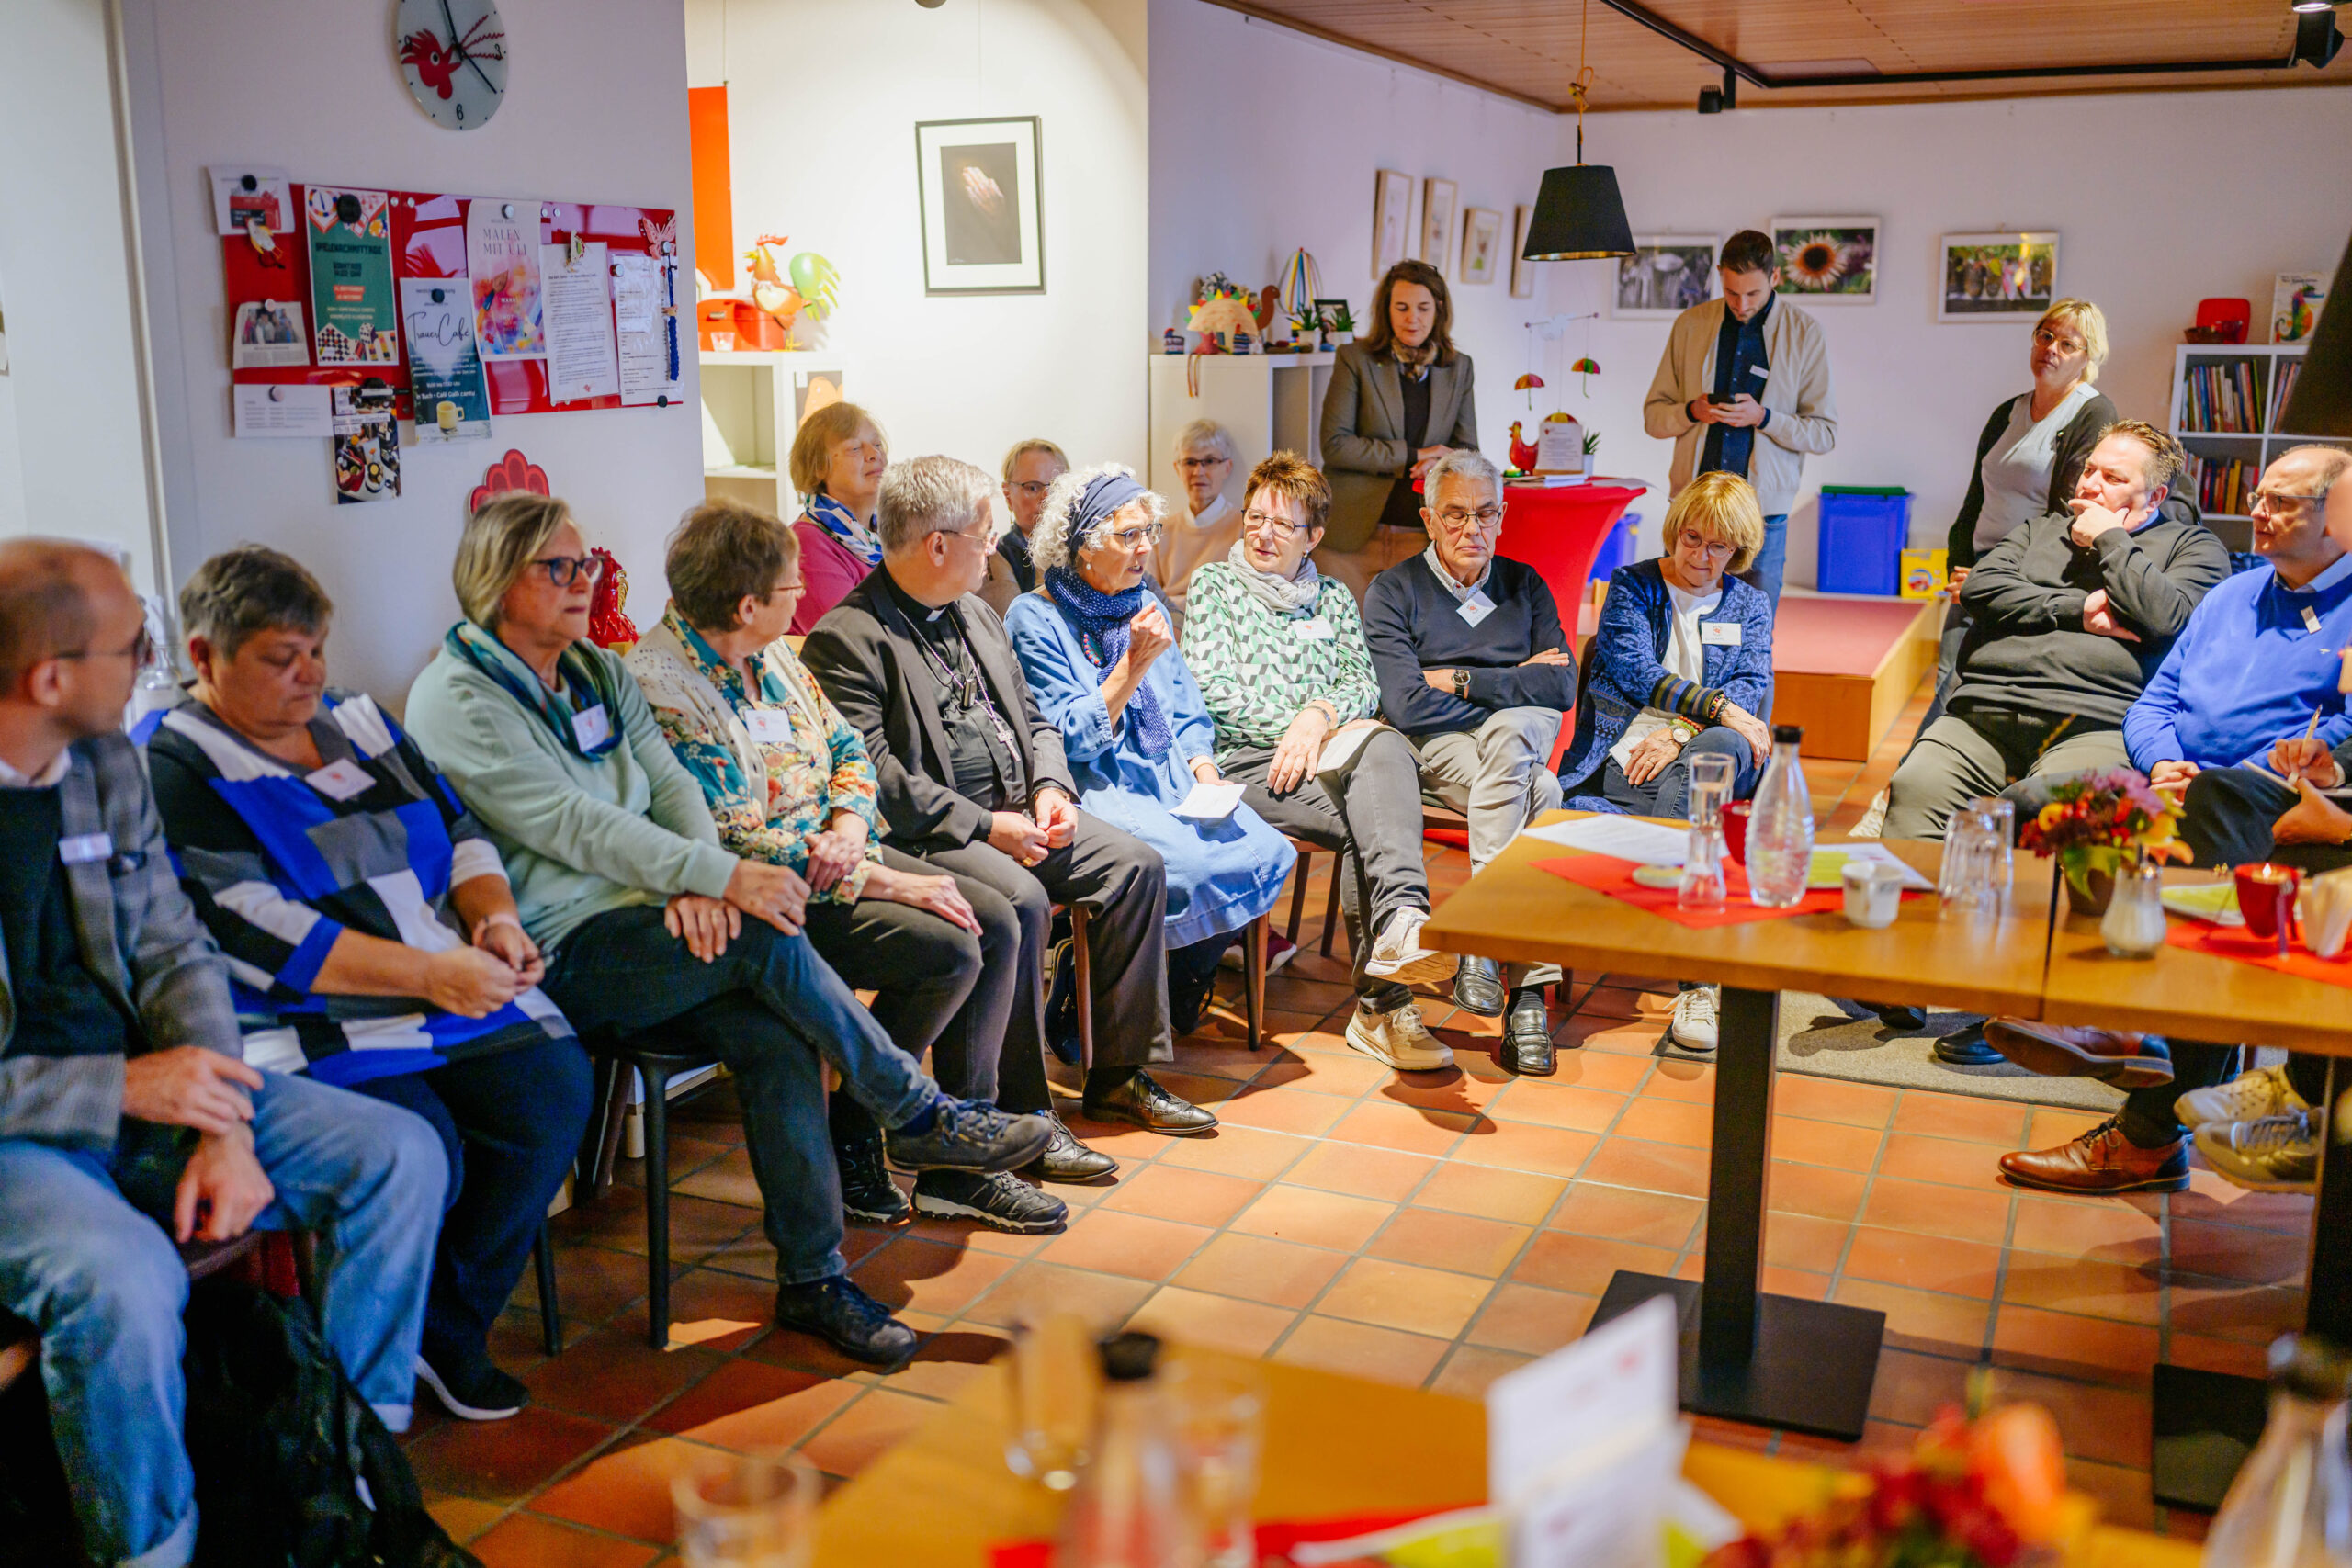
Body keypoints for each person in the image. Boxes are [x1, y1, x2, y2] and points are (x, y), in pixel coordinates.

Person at [404, 493, 1052, 1367]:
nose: (581, 582)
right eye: (557, 568)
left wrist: (700, 878)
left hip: (660, 914)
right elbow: (575, 826)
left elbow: (670, 785)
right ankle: (911, 1109)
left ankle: (815, 1279)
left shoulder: (593, 667)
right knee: (768, 937)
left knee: (779, 1035)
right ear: (495, 580)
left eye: (584, 563)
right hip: (567, 947)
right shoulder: (459, 698)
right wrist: (719, 877)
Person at [0, 540, 445, 1568]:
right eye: (135, 648)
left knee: (400, 1155)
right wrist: (122, 1085)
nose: (155, 668)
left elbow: (173, 949)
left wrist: (223, 1125)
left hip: (156, 1091)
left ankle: (343, 1478)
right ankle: (153, 1551)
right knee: (122, 1278)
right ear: (51, 678)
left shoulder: (104, 762)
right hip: (24, 1133)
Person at [140, 546, 588, 1423]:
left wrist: (494, 917)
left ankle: (445, 1327)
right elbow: (254, 926)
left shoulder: (360, 719)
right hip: (308, 1015)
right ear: (203, 657)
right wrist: (431, 971)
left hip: (446, 975)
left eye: (317, 650)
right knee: (429, 1152)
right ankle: (360, 1397)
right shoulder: (177, 766)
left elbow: (458, 826)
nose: (310, 675)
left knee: (553, 1088)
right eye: (281, 658)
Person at [628, 501, 1066, 1235]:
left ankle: (944, 1151)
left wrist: (849, 823)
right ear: (746, 604)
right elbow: (730, 838)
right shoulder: (663, 686)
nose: (804, 598)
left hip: (837, 849)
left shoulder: (771, 655)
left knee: (992, 915)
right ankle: (878, 1133)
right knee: (953, 941)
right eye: (791, 589)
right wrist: (884, 876)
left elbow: (850, 752)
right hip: (767, 893)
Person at [802, 457, 1214, 1146]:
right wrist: (989, 825)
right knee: (1020, 900)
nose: (994, 546)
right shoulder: (848, 638)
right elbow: (878, 780)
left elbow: (1038, 719)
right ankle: (1025, 1110)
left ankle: (1117, 1076)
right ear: (938, 544)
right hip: (937, 832)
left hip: (1020, 807)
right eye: (983, 532)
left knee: (1134, 865)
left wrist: (1052, 785)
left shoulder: (978, 614)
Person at [1986, 447, 2352, 1197]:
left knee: (2218, 811)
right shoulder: (2234, 593)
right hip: (2180, 778)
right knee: (2047, 802)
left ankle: (2142, 1082)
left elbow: (2340, 737)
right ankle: (2081, 1020)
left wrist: (2227, 773)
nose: (2258, 511)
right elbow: (2154, 701)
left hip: (2279, 797)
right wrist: (2162, 765)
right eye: (2259, 495)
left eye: (2282, 502)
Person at [1179, 453, 1467, 1072]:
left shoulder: (1334, 597)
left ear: (1313, 537)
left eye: (1283, 525)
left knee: (1385, 744)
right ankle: (1384, 1004)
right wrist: (1303, 729)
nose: (1262, 533)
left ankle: (1402, 922)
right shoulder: (1214, 587)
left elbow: (1362, 682)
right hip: (1246, 762)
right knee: (1377, 814)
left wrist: (1317, 717)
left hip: (1322, 750)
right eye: (1255, 518)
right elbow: (1212, 690)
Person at [1008, 463, 1299, 1040]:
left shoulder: (1147, 605)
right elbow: (1067, 737)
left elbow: (1187, 712)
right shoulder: (1034, 617)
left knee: (1263, 849)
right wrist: (1133, 663)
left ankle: (1181, 981)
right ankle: (1100, 990)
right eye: (1127, 535)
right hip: (1101, 786)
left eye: (1149, 532)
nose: (1144, 549)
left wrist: (1206, 772)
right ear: (1082, 546)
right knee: (1184, 868)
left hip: (1172, 778)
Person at [1880, 422, 2230, 843]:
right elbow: (1980, 588)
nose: (2091, 484)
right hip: (1984, 715)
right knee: (1916, 785)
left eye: (2113, 478)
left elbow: (2167, 617)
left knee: (2048, 807)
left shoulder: (2192, 546)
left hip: (2097, 724)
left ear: (2155, 497)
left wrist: (2110, 539)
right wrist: (2077, 609)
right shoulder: (2039, 530)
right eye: (2089, 470)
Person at [1362, 449, 1575, 1064]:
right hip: (1443, 748)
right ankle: (1529, 1002)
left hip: (1505, 737)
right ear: (1428, 519)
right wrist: (1513, 681)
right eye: (1454, 515)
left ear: (1503, 516)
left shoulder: (1525, 584)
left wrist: (1456, 680)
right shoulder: (1394, 590)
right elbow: (1405, 704)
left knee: (1512, 739)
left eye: (1485, 513)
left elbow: (1561, 687)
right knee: (1544, 793)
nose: (1471, 529)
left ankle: (1482, 936)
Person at [1553, 474, 1776, 1055]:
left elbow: (1751, 684)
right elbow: (1633, 670)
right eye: (1693, 539)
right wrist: (1714, 709)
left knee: (1717, 756)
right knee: (1707, 787)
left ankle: (1692, 974)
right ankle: (1699, 966)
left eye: (1719, 547)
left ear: (1739, 550)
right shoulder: (1631, 585)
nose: (1702, 558)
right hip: (1626, 756)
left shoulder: (1750, 603)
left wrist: (1682, 729)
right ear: (1675, 531)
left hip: (1700, 751)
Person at [1917, 301, 2118, 730]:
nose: (2051, 349)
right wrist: (1960, 568)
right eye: (2045, 336)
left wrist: (1997, 582)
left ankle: (1902, 787)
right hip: (1974, 570)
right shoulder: (2007, 411)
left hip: (2027, 578)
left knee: (1962, 692)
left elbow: (2068, 514)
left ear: (2089, 357)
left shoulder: (2093, 413)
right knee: (1946, 685)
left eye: (2068, 344)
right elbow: (1975, 498)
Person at [1639, 230, 1838, 606]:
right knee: (1677, 623)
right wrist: (1691, 411)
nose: (1742, 304)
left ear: (1775, 279)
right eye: (1731, 292)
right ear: (1719, 275)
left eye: (1753, 294)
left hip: (1763, 517)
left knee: (1754, 636)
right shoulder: (1690, 324)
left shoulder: (1806, 333)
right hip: (1691, 512)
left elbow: (1824, 434)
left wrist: (1763, 417)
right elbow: (1654, 418)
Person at [1317, 259, 1479, 599]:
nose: (1412, 318)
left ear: (1438, 310)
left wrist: (1441, 463)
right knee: (1342, 645)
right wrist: (1413, 456)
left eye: (1422, 308)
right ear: (1386, 309)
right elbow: (1334, 444)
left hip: (1423, 536)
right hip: (1351, 535)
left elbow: (1467, 450)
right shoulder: (1355, 358)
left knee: (1408, 647)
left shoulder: (1458, 367)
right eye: (1401, 307)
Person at [787, 400, 888, 634]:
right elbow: (851, 639)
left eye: (877, 444)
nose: (874, 454)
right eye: (855, 448)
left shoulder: (889, 530)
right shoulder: (806, 545)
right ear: (818, 467)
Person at [1153, 420, 1244, 623]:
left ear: (1227, 468)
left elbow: (1240, 600)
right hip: (1167, 628)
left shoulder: (1245, 527)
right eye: (1190, 462)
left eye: (1209, 461)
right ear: (1178, 468)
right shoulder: (1160, 531)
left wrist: (1175, 602)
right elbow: (1147, 598)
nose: (1198, 472)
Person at [981, 437, 1068, 616]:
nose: (1047, 498)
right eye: (1033, 488)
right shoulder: (994, 557)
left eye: (1056, 487)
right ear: (1007, 495)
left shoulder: (1084, 547)